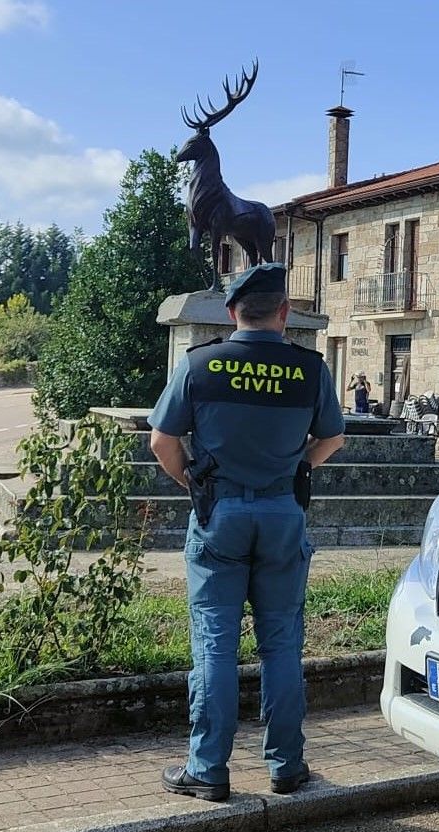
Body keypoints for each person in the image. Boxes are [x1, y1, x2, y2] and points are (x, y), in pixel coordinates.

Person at [147, 263, 345, 802]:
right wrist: (297, 466)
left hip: (220, 514)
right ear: (284, 313)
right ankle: (286, 766)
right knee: (281, 643)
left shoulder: (200, 365)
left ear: (232, 312)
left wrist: (194, 480)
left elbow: (162, 443)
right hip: (283, 512)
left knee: (215, 643)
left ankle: (207, 769)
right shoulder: (310, 369)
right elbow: (332, 439)